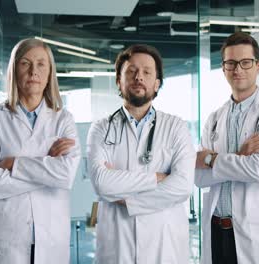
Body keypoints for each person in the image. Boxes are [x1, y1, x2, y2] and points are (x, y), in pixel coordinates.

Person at [0, 38, 81, 264]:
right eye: (25, 63)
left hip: (51, 239)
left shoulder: (63, 119)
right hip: (6, 240)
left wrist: (14, 164)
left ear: (50, 72)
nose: (34, 71)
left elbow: (65, 175)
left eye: (41, 64)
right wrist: (47, 165)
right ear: (14, 70)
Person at [87, 44, 195, 263]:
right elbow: (101, 183)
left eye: (147, 72)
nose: (139, 77)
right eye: (131, 71)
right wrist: (157, 178)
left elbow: (183, 186)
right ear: (119, 80)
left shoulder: (176, 127)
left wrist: (127, 200)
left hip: (164, 248)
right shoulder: (101, 128)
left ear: (157, 84)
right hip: (118, 247)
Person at [195, 32, 259, 264]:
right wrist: (238, 156)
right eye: (231, 63)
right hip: (217, 230)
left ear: (258, 66)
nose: (238, 69)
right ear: (223, 68)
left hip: (256, 236)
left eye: (245, 62)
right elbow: (198, 177)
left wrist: (210, 159)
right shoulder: (215, 118)